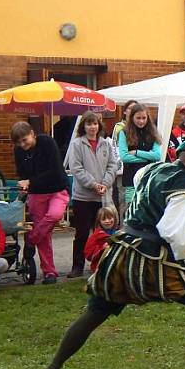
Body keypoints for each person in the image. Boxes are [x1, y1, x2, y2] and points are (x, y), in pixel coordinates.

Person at [38, 141, 185, 369]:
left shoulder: (154, 169)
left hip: (122, 251)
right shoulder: (184, 188)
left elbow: (158, 211)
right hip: (150, 260)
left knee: (95, 312)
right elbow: (174, 233)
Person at [11, 122, 70, 285]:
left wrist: (30, 181)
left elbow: (55, 171)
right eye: (19, 143)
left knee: (55, 215)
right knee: (45, 236)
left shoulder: (47, 143)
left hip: (57, 189)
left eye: (25, 140)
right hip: (36, 194)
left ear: (32, 133)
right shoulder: (18, 151)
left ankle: (31, 240)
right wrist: (24, 185)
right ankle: (49, 271)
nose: (23, 145)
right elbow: (22, 174)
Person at [65, 111, 119, 278]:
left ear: (99, 125)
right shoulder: (76, 145)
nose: (92, 127)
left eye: (95, 123)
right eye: (89, 124)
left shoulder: (106, 144)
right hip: (83, 196)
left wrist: (105, 183)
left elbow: (113, 165)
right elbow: (76, 168)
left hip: (103, 195)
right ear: (84, 126)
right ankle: (77, 265)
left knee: (103, 232)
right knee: (81, 232)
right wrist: (93, 184)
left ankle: (101, 262)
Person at [118, 104, 161, 207]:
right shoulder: (124, 133)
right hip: (131, 179)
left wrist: (137, 152)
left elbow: (157, 155)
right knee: (132, 209)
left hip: (149, 178)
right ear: (132, 117)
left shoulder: (153, 133)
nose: (141, 121)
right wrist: (148, 158)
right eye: (138, 118)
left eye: (144, 118)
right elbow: (124, 157)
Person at [112, 100, 137, 214]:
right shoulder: (120, 128)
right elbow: (122, 152)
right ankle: (123, 226)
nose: (133, 111)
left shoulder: (141, 128)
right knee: (124, 199)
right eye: (130, 108)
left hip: (138, 168)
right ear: (125, 111)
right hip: (123, 168)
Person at [84, 205, 119, 273]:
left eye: (110, 218)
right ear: (99, 221)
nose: (107, 221)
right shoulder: (96, 236)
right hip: (101, 267)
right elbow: (88, 254)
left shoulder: (119, 233)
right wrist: (102, 249)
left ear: (114, 218)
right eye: (104, 219)